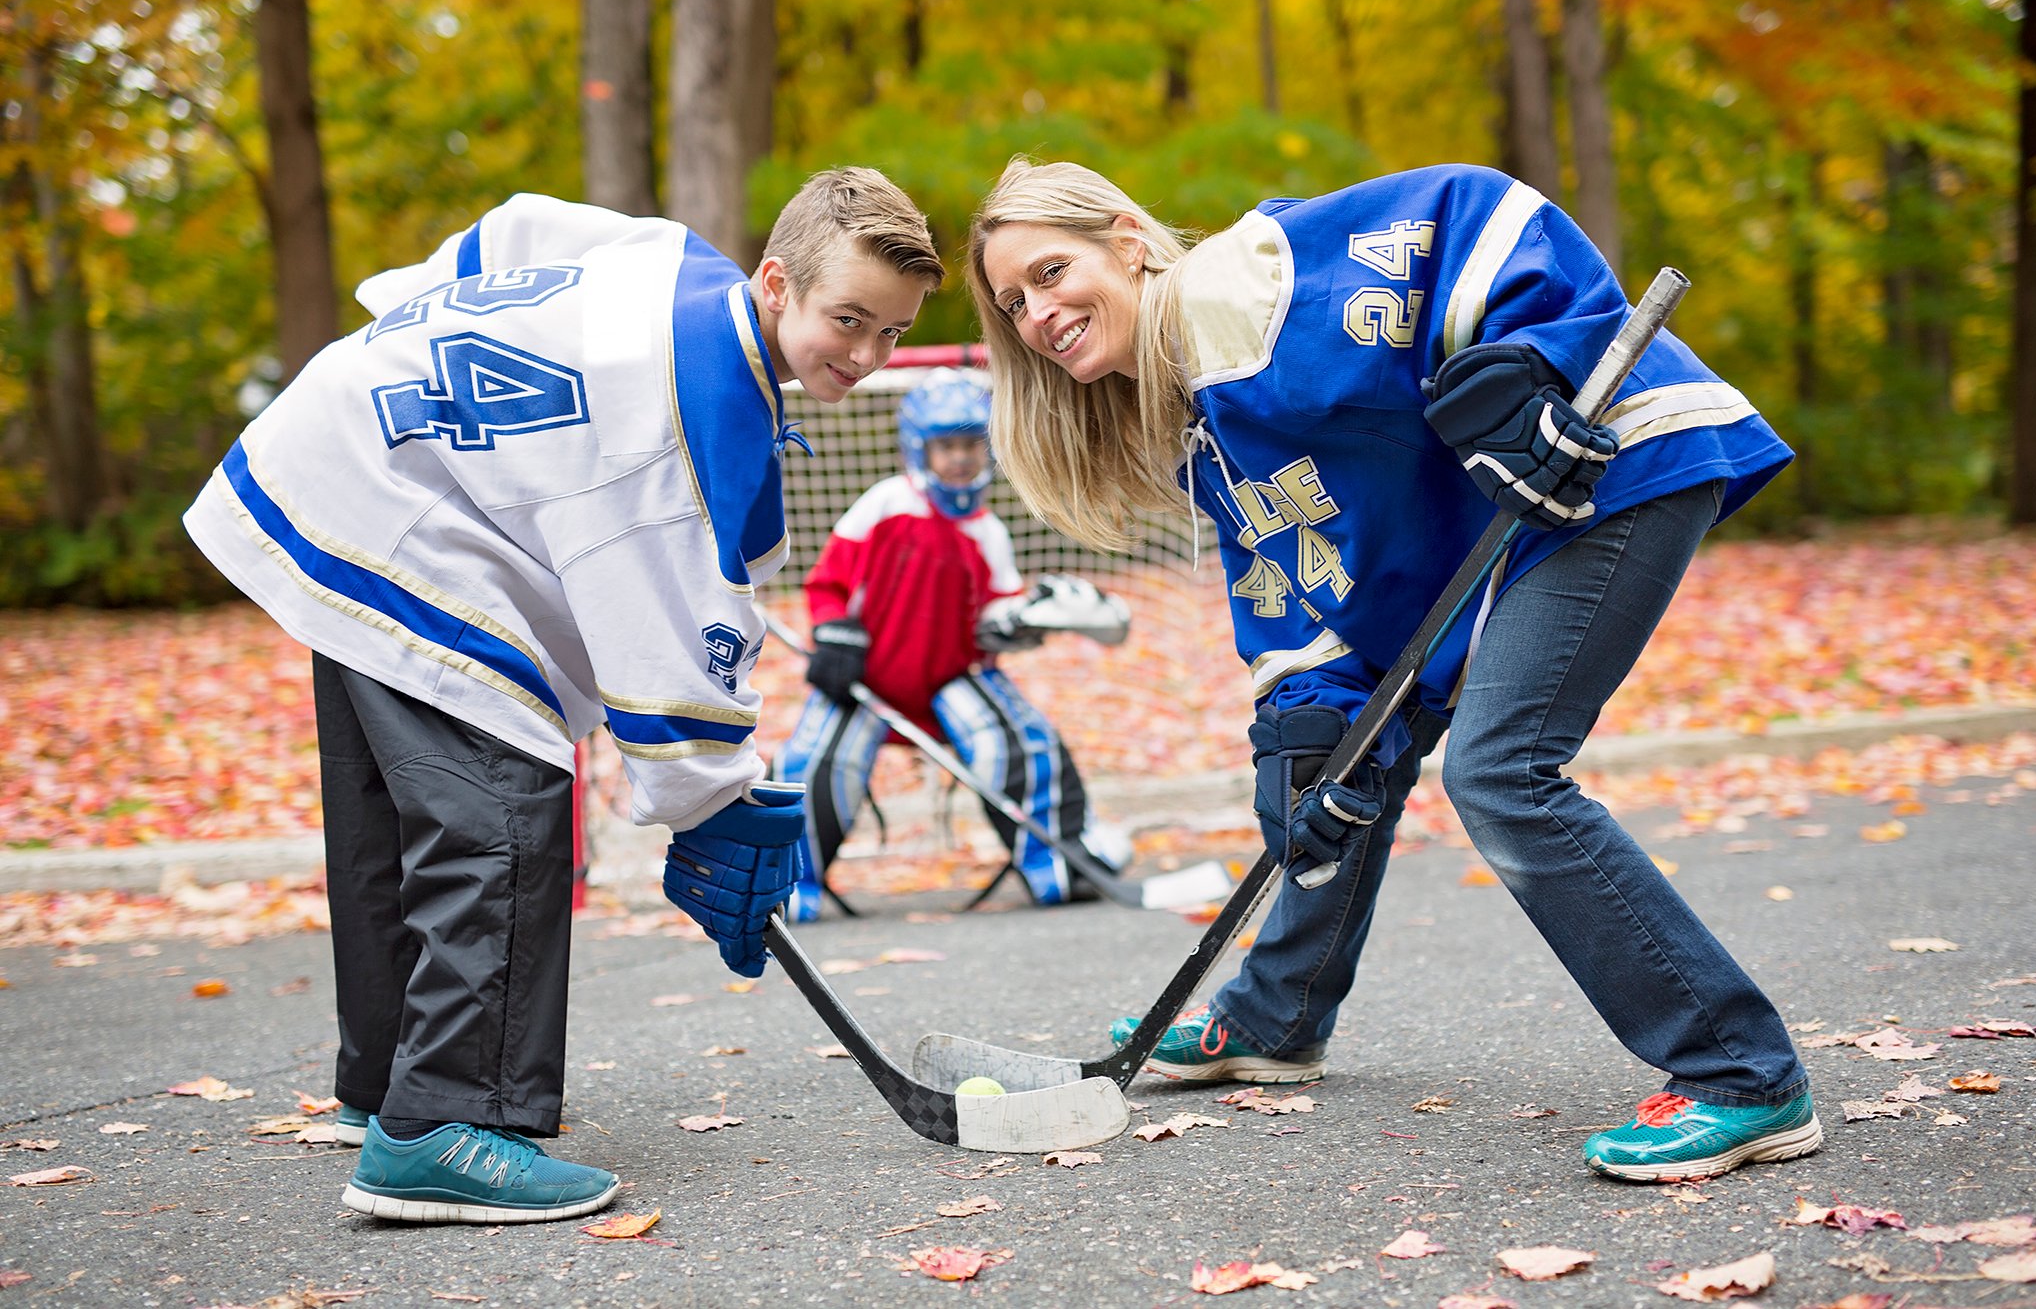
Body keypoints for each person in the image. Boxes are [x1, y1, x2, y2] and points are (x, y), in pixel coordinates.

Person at [966, 157, 1819, 1183]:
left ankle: (1741, 1075)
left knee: (1503, 772)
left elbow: (1474, 211)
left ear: (1129, 242)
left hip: (1607, 461)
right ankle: (1276, 1019)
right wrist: (1307, 724)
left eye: (1053, 271)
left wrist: (1533, 366)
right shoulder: (1208, 422)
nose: (1038, 312)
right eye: (1015, 301)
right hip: (1510, 534)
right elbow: (1306, 589)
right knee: (1341, 762)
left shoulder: (1241, 289)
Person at [184, 170, 943, 1223]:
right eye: (848, 320)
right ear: (778, 283)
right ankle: (443, 1124)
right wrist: (717, 807)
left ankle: (385, 1089)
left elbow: (513, 228)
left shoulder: (676, 259)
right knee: (500, 802)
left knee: (396, 806)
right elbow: (670, 650)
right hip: (402, 501)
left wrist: (403, 320)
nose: (865, 357)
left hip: (338, 444)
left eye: (893, 334)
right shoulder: (689, 419)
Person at [772, 369, 1134, 913]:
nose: (960, 457)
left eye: (970, 444)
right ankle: (783, 888)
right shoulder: (886, 503)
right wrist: (833, 633)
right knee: (812, 763)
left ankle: (1061, 865)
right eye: (946, 446)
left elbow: (991, 617)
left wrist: (1026, 619)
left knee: (1021, 743)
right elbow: (828, 582)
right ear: (918, 450)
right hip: (867, 677)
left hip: (952, 679)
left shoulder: (988, 531)